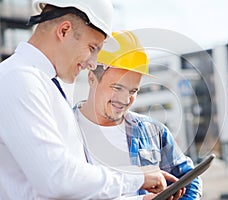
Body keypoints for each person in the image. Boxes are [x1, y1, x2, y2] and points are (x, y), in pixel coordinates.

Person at [0, 1, 177, 199]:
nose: (92, 63)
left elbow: (71, 192)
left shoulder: (45, 85)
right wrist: (137, 179)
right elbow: (57, 179)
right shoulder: (18, 79)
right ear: (65, 30)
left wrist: (141, 199)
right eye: (92, 47)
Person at [73, 30, 202, 199]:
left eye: (133, 91)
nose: (124, 100)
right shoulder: (64, 129)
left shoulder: (153, 132)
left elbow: (189, 179)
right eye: (117, 87)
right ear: (91, 78)